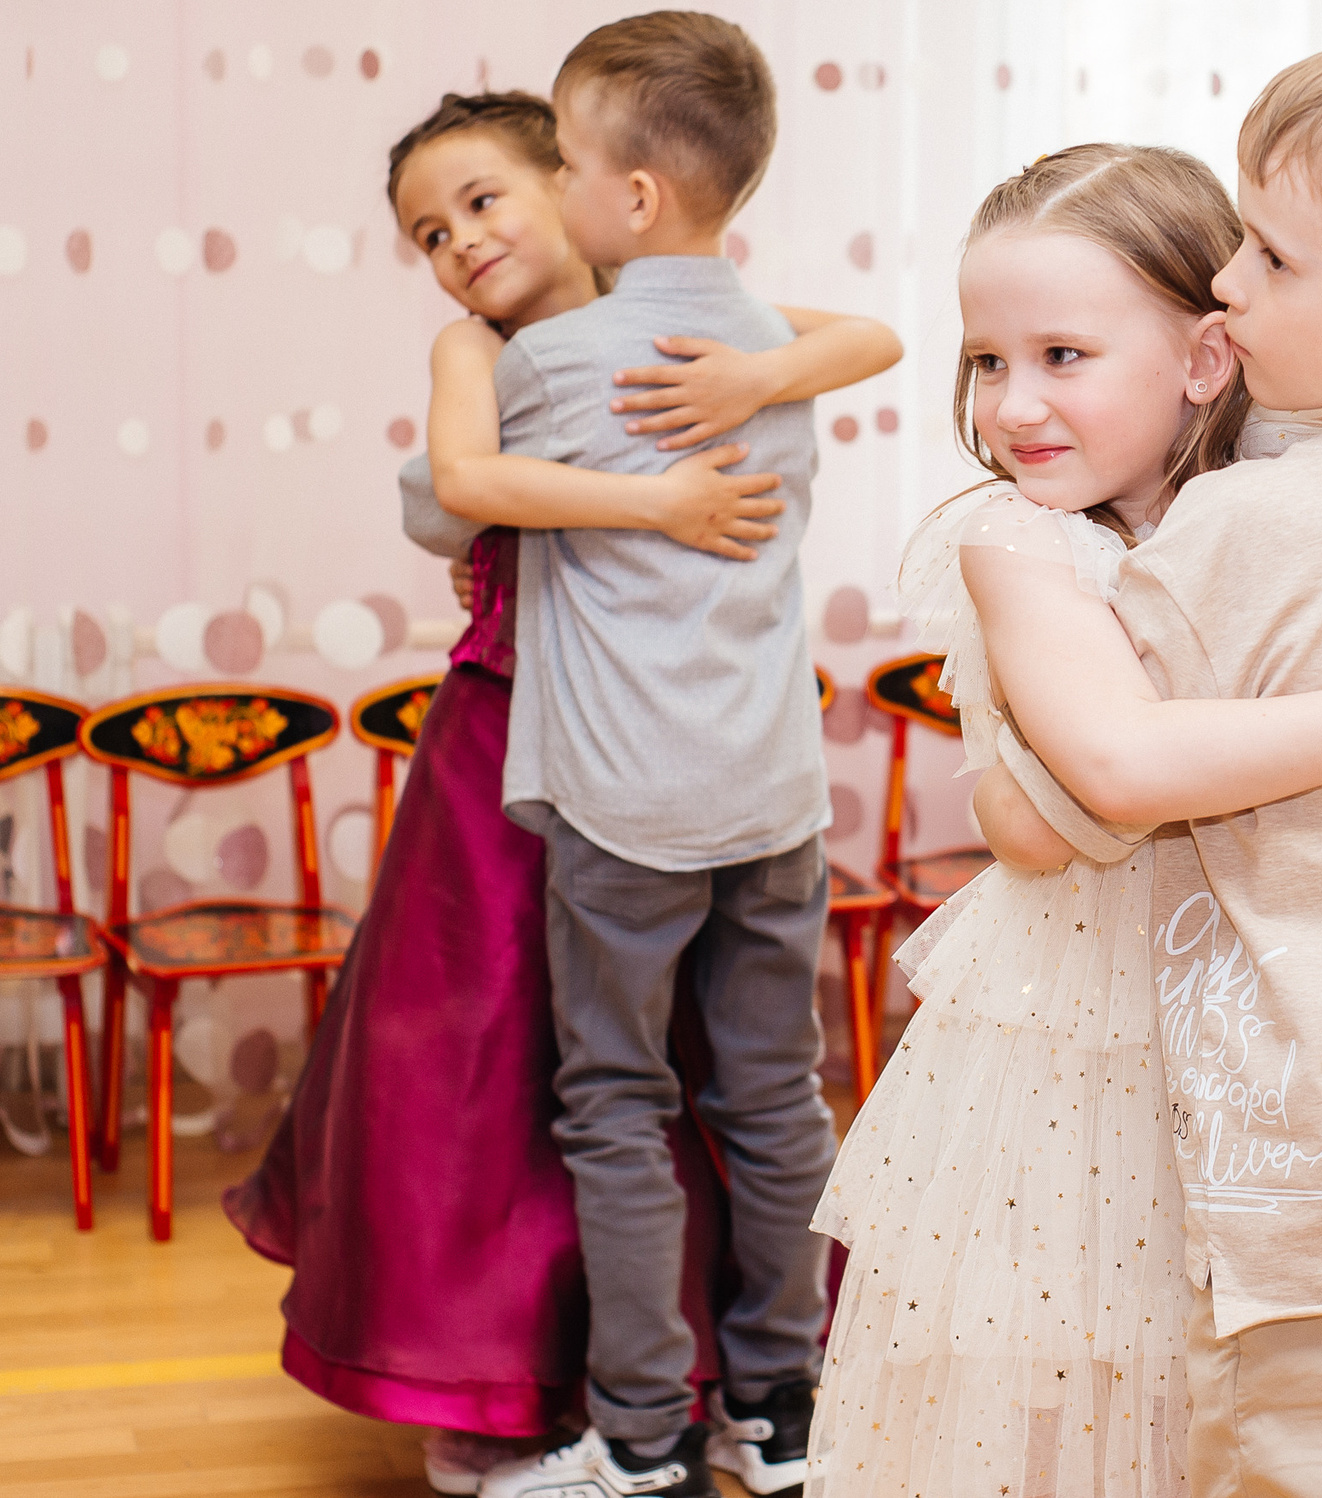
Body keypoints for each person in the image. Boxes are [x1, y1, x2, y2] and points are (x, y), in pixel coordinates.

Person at [810, 142, 1322, 1496]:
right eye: (986, 360)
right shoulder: (1015, 538)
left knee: (1235, 1379)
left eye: (1064, 355)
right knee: (1096, 1367)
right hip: (1090, 1037)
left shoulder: (1289, 464)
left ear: (1208, 357)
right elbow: (1087, 790)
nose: (1012, 404)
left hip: (1297, 1041)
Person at [223, 88, 899, 1496]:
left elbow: (857, 336)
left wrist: (754, 379)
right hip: (509, 752)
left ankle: (708, 1394)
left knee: (695, 1078)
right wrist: (655, 481)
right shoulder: (481, 356)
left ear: (582, 188)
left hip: (682, 763)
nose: (459, 242)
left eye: (483, 199)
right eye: (427, 233)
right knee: (486, 1073)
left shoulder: (689, 330)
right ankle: (509, 1375)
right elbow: (447, 493)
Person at [458, 13, 845, 1498]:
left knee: (616, 1104)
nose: (552, 187)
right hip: (774, 789)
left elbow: (442, 502)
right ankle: (782, 1411)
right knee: (775, 1097)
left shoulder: (556, 360)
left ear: (632, 196)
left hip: (627, 799)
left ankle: (639, 1438)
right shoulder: (779, 351)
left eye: (560, 162)